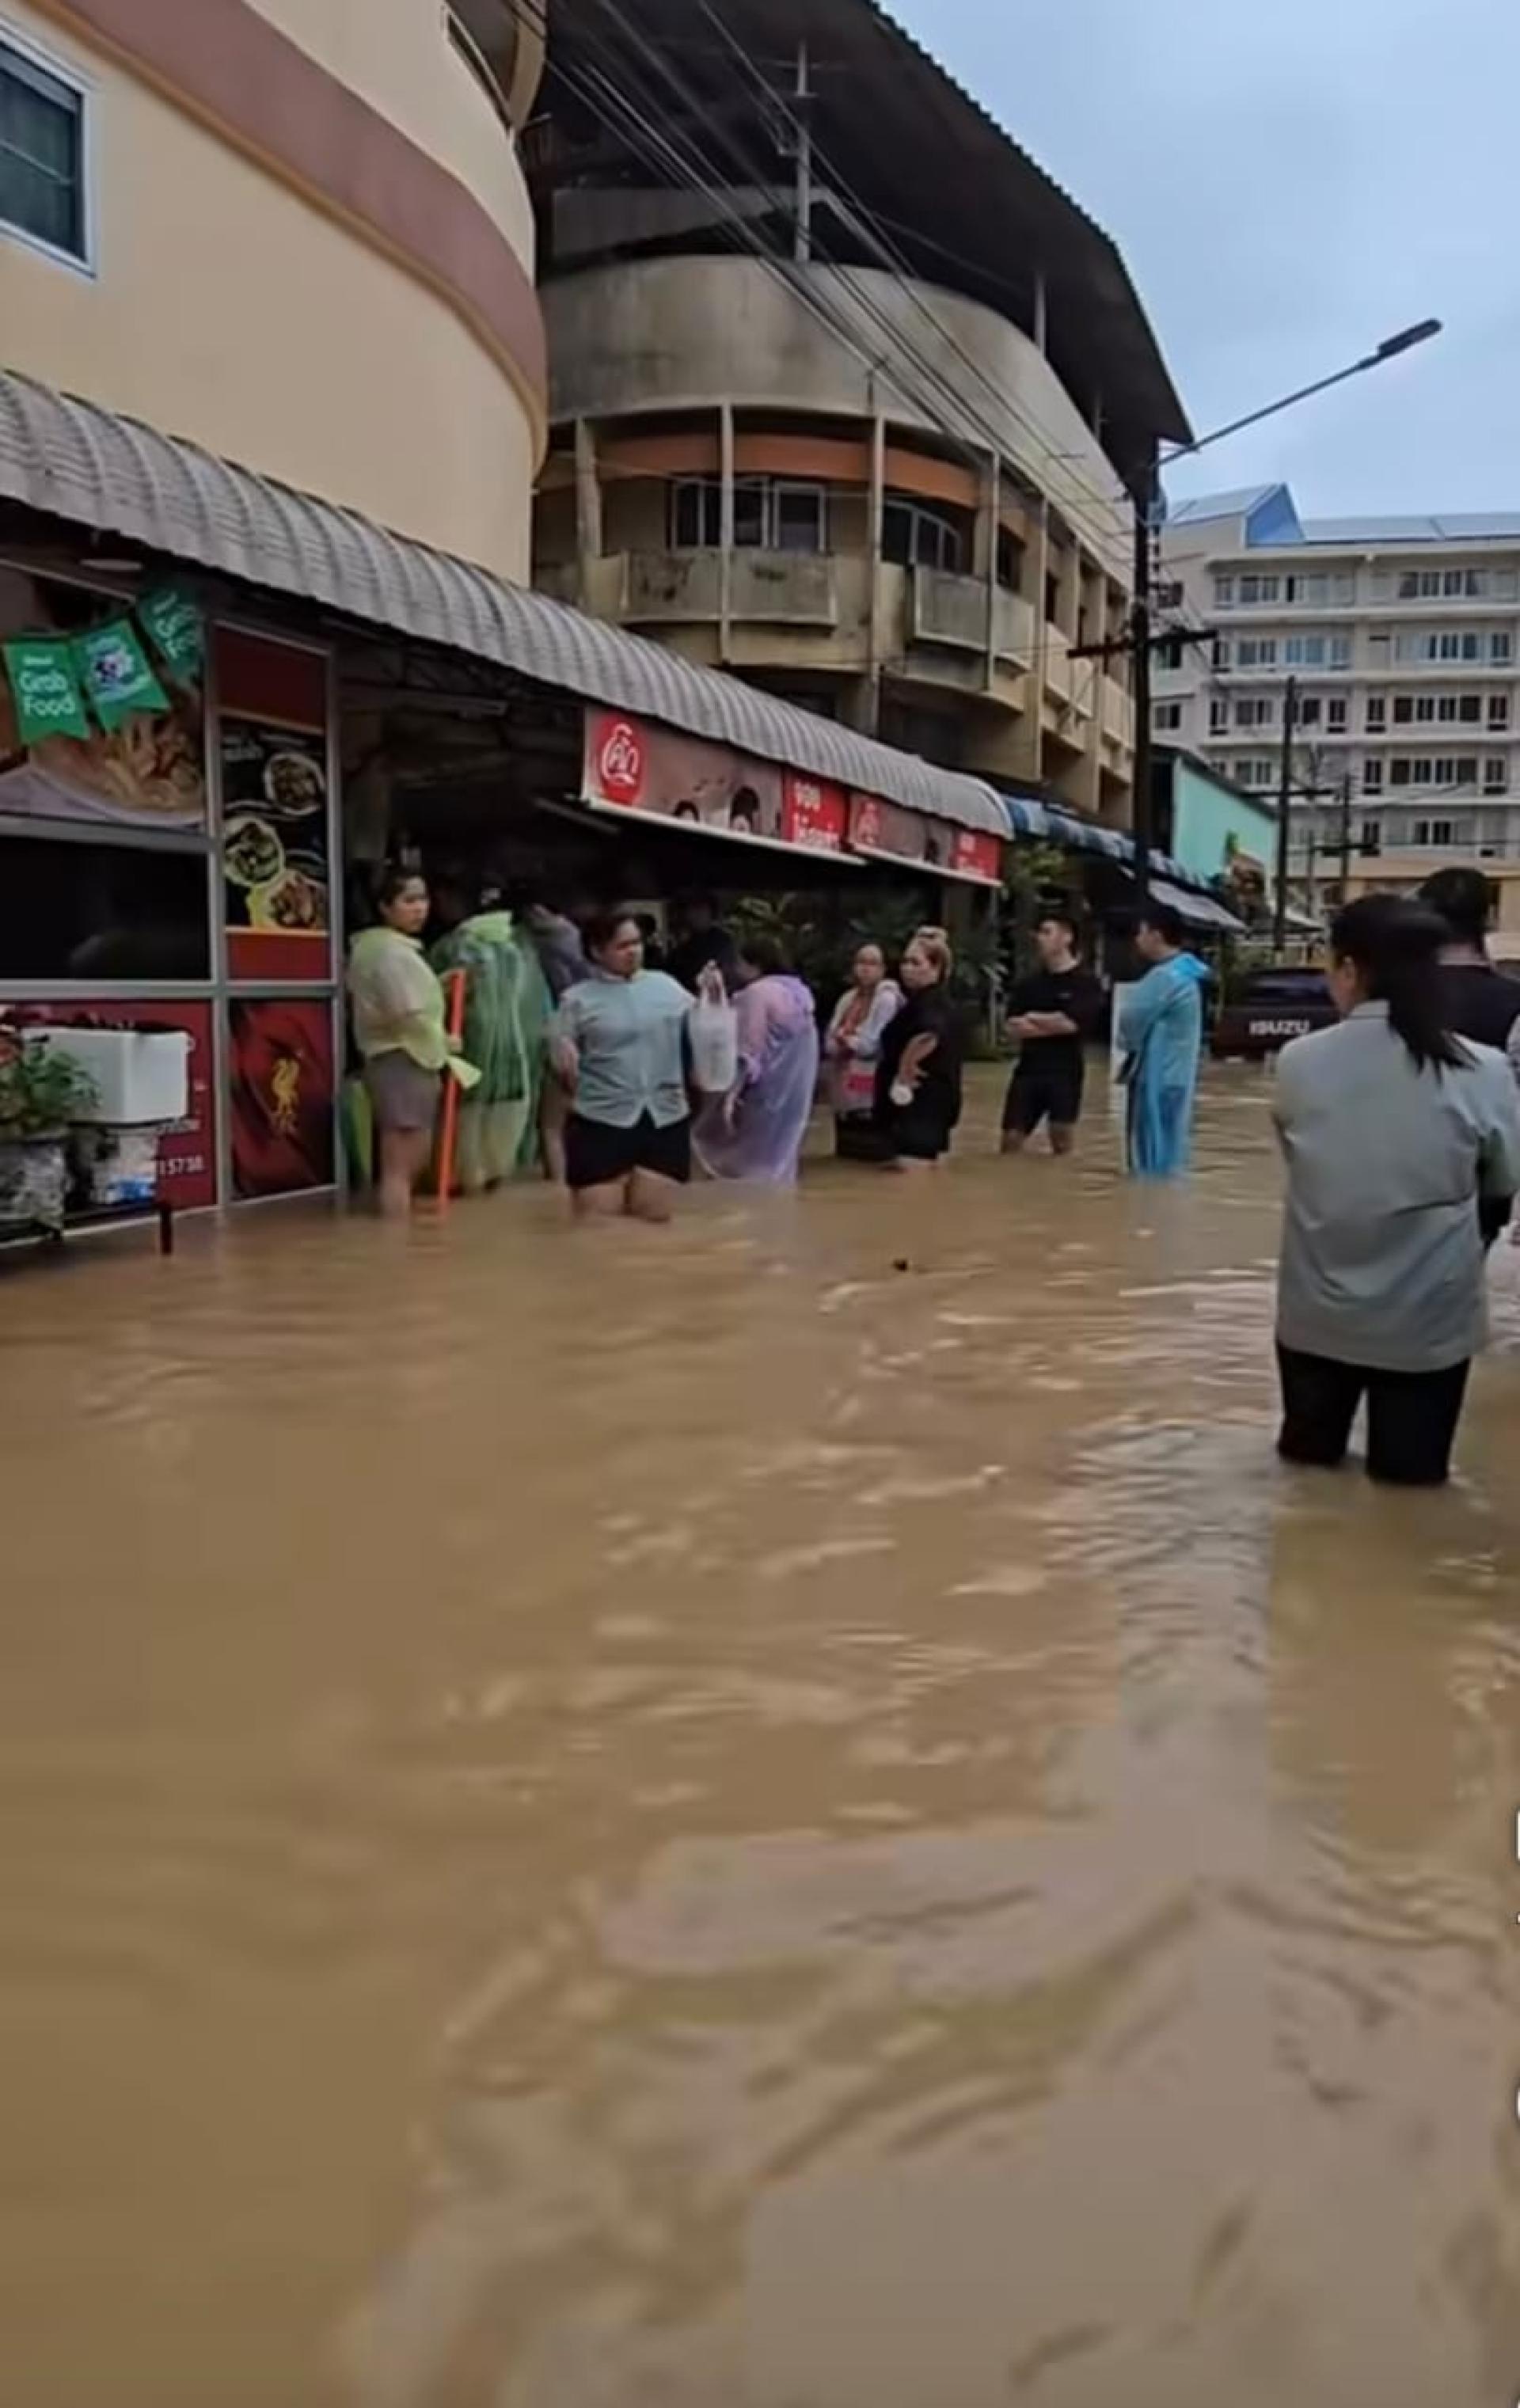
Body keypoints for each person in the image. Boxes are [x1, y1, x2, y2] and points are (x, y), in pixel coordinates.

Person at [1273, 894, 1520, 1487]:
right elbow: (1504, 1178)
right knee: (1411, 1489)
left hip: (1316, 1314)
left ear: (1352, 970)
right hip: (1427, 1321)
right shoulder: (1482, 1069)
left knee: (1307, 1480)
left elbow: (1299, 1157)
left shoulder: (1298, 1061)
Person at [347, 868, 479, 1217]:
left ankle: (398, 1243)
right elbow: (407, 1014)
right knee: (402, 1165)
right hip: (403, 1061)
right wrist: (446, 1041)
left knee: (408, 1160)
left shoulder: (386, 950)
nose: (420, 909)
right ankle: (396, 1243)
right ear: (385, 907)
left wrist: (440, 986)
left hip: (403, 1060)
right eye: (409, 901)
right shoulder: (387, 953)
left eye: (422, 899)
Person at [550, 908, 696, 1222]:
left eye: (637, 943)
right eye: (622, 946)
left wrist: (715, 1001)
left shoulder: (670, 989)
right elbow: (556, 1055)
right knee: (599, 1228)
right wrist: (561, 1050)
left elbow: (707, 1038)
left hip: (664, 1117)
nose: (633, 952)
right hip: (600, 1119)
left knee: (655, 1226)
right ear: (596, 952)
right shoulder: (576, 1000)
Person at [1419, 865, 1520, 1248]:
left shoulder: (1390, 1002)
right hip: (1482, 1193)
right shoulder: (1514, 1002)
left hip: (1398, 1191)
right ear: (1490, 918)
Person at [430, 881, 553, 1193]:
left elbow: (429, 1002)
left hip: (466, 1062)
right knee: (501, 1155)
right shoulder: (522, 946)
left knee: (461, 1151)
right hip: (519, 1066)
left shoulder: (455, 946)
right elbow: (540, 1007)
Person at [694, 933, 820, 1184]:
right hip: (795, 1093)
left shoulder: (757, 994)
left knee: (745, 1165)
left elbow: (748, 1051)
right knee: (781, 1162)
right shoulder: (801, 994)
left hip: (763, 1095)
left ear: (753, 963)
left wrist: (730, 1096)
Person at [1116, 902, 1210, 1177]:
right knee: (1173, 1149)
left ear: (1156, 935)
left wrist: (1128, 1048)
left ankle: (1148, 1207)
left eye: (1141, 932)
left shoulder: (1164, 977)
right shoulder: (1190, 973)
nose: (1137, 939)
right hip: (1181, 1075)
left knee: (1148, 1155)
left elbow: (1130, 1022)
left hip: (1155, 1077)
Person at [1001, 910, 1104, 1157]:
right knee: (1010, 1140)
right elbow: (1012, 1027)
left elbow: (1073, 1025)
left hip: (1065, 1073)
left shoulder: (1086, 983)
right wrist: (1054, 1023)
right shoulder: (1029, 984)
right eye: (1040, 933)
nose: (1040, 939)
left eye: (1047, 932)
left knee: (1062, 1141)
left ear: (1066, 937)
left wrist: (1034, 1019)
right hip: (1028, 1071)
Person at [875, 931, 963, 1168]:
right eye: (904, 962)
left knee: (912, 1177)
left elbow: (929, 1035)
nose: (907, 969)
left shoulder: (932, 1001)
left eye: (915, 963)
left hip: (922, 1107)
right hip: (921, 1108)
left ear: (936, 968)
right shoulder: (920, 1000)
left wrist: (906, 1068)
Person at [823, 940, 902, 1159]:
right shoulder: (847, 999)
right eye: (861, 962)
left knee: (870, 1139)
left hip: (872, 1076)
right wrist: (841, 1041)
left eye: (872, 964)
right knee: (847, 1141)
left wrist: (846, 1041)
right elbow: (829, 1039)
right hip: (844, 1077)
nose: (865, 969)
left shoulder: (886, 999)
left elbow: (871, 1044)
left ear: (883, 970)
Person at [667, 895, 738, 994]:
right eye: (691, 910)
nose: (695, 915)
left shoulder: (723, 943)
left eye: (700, 910)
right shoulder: (682, 950)